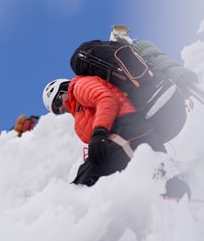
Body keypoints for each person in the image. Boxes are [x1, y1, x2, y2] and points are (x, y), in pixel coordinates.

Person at [42, 77, 190, 199]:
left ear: (63, 90)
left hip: (130, 129)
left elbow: (106, 99)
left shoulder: (79, 86)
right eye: (57, 111)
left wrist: (99, 132)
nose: (61, 109)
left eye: (57, 103)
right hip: (123, 139)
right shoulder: (79, 119)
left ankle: (72, 210)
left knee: (85, 178)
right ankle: (181, 206)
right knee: (159, 188)